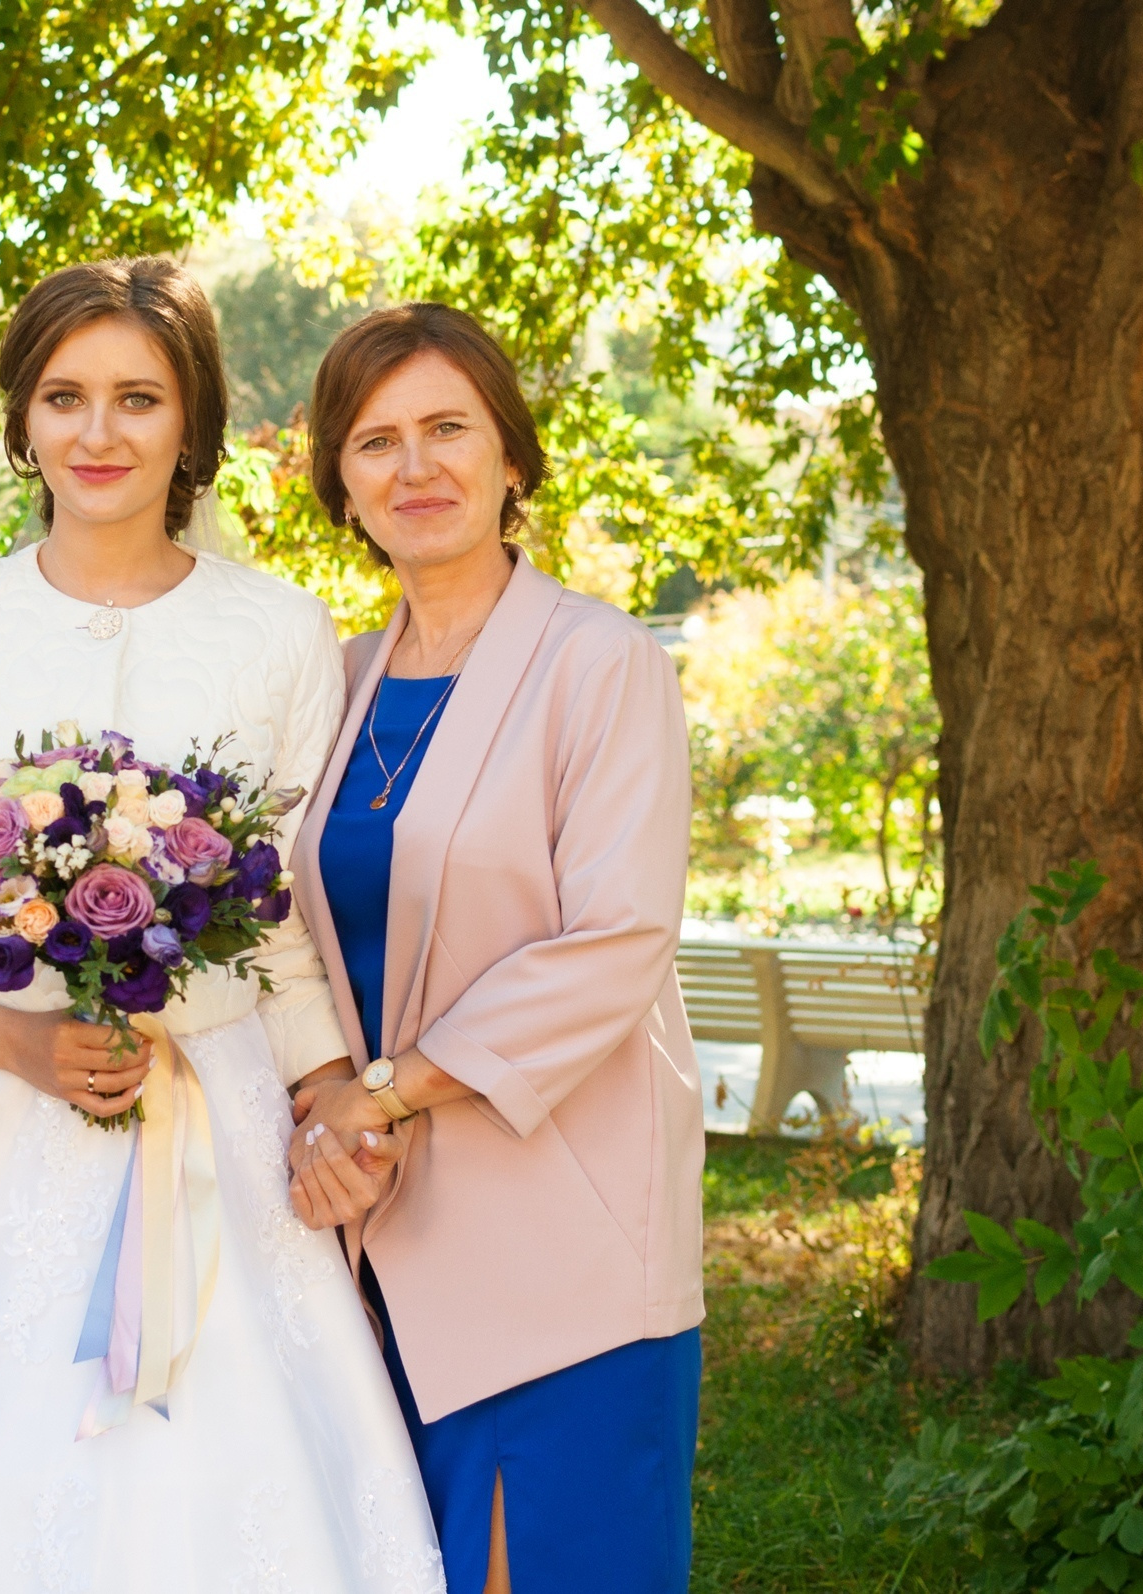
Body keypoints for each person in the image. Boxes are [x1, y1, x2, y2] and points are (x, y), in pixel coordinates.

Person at [0, 259, 443, 1591]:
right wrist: (18, 1046)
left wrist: (337, 1098)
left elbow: (282, 926)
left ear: (192, 424)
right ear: (22, 421)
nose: (99, 434)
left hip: (218, 1125)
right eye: (64, 397)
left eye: (138, 398)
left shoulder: (281, 632)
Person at [286, 303, 704, 1594]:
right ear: (341, 487)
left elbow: (615, 938)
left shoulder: (601, 662)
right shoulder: (331, 680)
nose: (416, 467)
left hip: (556, 1231)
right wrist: (320, 1105)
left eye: (448, 428)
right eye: (376, 441)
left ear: (512, 458)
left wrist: (388, 1089)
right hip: (367, 1223)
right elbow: (277, 930)